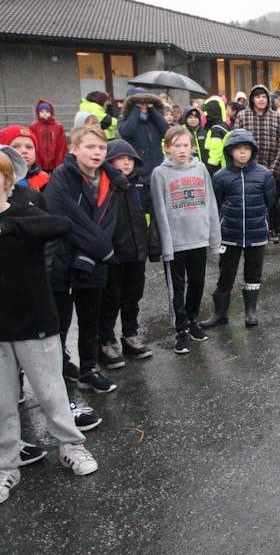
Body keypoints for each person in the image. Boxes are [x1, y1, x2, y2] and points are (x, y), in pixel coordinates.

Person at [0, 148, 99, 506]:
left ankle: (71, 446)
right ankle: (6, 465)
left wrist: (10, 223)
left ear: (8, 179)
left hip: (35, 322)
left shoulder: (26, 208)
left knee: (52, 393)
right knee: (3, 402)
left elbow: (60, 225)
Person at [44, 123, 128, 393]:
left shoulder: (111, 180)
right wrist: (103, 248)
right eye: (90, 147)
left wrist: (95, 250)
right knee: (61, 323)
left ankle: (89, 368)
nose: (97, 153)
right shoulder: (61, 177)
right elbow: (67, 219)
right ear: (74, 149)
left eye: (101, 147)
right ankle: (60, 370)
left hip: (93, 265)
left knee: (90, 320)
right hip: (63, 261)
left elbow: (108, 222)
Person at [150, 126, 221, 354]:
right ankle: (180, 328)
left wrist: (213, 239)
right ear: (167, 148)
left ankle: (192, 320)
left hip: (198, 238)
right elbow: (160, 211)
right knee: (177, 287)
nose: (182, 150)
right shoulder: (160, 174)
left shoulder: (200, 168)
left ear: (192, 147)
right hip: (176, 241)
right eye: (176, 145)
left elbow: (210, 203)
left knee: (198, 282)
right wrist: (167, 246)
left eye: (185, 145)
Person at [201, 129, 276, 327]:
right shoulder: (220, 176)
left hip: (256, 231)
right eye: (238, 149)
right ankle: (220, 314)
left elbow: (270, 201)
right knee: (226, 273)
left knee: (253, 273)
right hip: (229, 234)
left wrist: (261, 219)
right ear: (230, 151)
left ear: (252, 151)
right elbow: (215, 204)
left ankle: (250, 311)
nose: (242, 153)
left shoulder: (264, 175)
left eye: (246, 149)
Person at [95, 139, 157, 368]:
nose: (126, 163)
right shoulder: (105, 185)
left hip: (136, 252)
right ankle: (106, 341)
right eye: (121, 158)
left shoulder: (138, 185)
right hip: (114, 254)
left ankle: (130, 335)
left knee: (133, 297)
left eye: (130, 159)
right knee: (110, 299)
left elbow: (146, 217)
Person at [233, 84, 280, 243]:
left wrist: (275, 167)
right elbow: (235, 139)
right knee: (252, 201)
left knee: (272, 199)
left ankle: (273, 227)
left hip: (271, 167)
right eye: (257, 96)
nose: (261, 99)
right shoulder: (243, 116)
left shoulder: (276, 117)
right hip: (249, 168)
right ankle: (257, 230)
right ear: (252, 99)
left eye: (264, 96)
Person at [117, 89, 171, 186]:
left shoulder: (154, 119)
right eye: (140, 103)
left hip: (157, 168)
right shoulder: (123, 119)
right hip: (139, 172)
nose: (144, 106)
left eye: (147, 103)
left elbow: (167, 132)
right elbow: (127, 131)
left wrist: (153, 111)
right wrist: (136, 110)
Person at [0, 126, 49, 191]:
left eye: (29, 147)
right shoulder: (2, 180)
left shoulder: (45, 179)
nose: (24, 151)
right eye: (15, 147)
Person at [29, 100, 67, 173]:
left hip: (55, 161)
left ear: (51, 112)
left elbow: (62, 145)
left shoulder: (58, 127)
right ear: (38, 113)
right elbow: (33, 143)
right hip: (40, 161)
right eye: (42, 111)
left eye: (47, 111)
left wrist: (60, 161)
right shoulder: (34, 127)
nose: (44, 114)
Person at [201, 97, 230, 175]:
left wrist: (209, 170)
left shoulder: (216, 129)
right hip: (224, 169)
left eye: (206, 113)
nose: (204, 116)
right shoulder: (223, 126)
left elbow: (216, 153)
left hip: (219, 170)